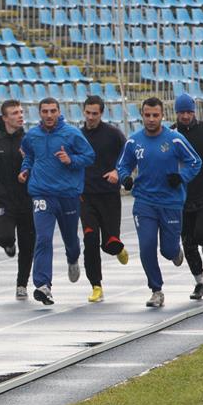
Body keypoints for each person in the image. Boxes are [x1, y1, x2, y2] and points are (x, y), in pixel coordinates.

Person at [116, 97, 201, 307]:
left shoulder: (175, 139)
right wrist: (125, 178)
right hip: (144, 202)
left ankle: (175, 251)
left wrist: (181, 177)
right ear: (142, 116)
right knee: (146, 246)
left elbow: (195, 161)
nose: (151, 119)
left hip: (171, 202)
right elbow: (122, 165)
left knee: (168, 250)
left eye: (155, 115)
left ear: (162, 116)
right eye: (147, 115)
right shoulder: (134, 141)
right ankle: (156, 290)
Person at [19, 97, 95, 305]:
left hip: (68, 194)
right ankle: (43, 285)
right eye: (45, 111)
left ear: (59, 112)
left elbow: (89, 156)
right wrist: (25, 169)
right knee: (43, 238)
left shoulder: (72, 134)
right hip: (42, 194)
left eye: (53, 111)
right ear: (39, 113)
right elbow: (29, 156)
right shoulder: (32, 135)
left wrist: (71, 160)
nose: (49, 115)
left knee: (70, 239)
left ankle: (73, 258)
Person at [171, 93, 203, 300]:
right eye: (181, 112)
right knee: (188, 242)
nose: (185, 116)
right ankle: (200, 283)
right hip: (182, 195)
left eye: (189, 112)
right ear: (176, 112)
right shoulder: (170, 132)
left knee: (202, 234)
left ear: (194, 112)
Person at [0, 99, 35, 300]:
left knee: (28, 244)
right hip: (3, 199)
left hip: (28, 199)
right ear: (4, 118)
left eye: (21, 112)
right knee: (5, 237)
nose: (20, 115)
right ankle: (7, 243)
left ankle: (22, 284)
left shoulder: (31, 140)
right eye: (14, 113)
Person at [79, 95, 129, 303]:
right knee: (90, 240)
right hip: (85, 196)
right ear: (83, 112)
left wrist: (118, 172)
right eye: (88, 113)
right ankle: (96, 285)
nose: (91, 117)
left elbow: (129, 156)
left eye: (95, 114)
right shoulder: (77, 136)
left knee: (109, 242)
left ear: (101, 113)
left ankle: (118, 248)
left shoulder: (113, 134)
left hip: (109, 195)